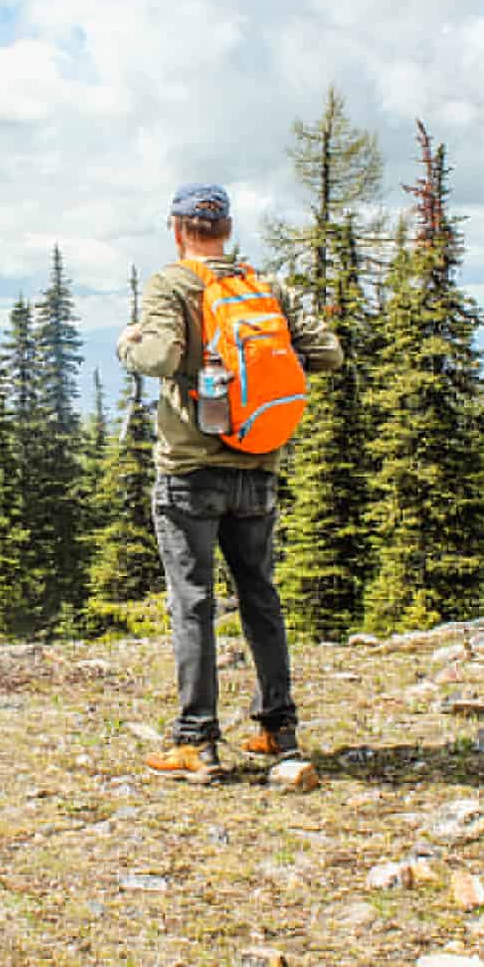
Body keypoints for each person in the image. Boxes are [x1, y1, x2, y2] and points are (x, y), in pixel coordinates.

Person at [116, 183, 343, 784]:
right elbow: (328, 353)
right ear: (227, 228)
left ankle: (196, 740)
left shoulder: (173, 283)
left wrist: (128, 346)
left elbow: (161, 357)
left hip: (190, 470)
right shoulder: (265, 286)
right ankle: (277, 728)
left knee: (192, 602)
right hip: (259, 466)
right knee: (260, 596)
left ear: (177, 229)